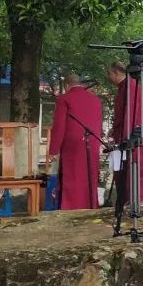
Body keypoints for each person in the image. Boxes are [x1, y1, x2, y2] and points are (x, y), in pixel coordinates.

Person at [47, 74, 102, 210]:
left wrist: (53, 150)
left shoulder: (64, 99)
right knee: (88, 178)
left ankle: (71, 207)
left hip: (72, 146)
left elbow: (59, 127)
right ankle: (89, 206)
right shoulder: (96, 100)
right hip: (92, 144)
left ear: (67, 85)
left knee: (72, 178)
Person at [106, 60, 143, 206]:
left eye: (109, 74)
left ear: (116, 72)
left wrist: (125, 138)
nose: (109, 78)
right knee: (124, 174)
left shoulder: (130, 87)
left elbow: (131, 115)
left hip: (131, 138)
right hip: (125, 135)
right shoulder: (126, 87)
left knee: (132, 175)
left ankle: (134, 204)